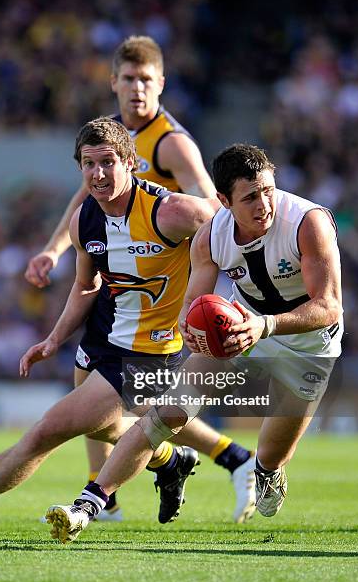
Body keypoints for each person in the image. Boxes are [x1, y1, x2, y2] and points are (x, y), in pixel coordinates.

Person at [0, 119, 247, 537]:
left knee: (46, 432)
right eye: (88, 164)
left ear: (132, 164)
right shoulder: (84, 220)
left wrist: (238, 306)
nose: (98, 174)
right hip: (103, 336)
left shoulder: (173, 211)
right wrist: (53, 338)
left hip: (150, 354)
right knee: (100, 426)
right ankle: (168, 460)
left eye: (107, 163)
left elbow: (233, 233)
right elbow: (86, 286)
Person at [48, 142, 343, 544]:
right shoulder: (210, 236)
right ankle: (87, 506)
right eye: (251, 197)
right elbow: (191, 307)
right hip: (238, 325)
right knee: (165, 412)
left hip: (307, 343)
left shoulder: (308, 223)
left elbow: (328, 306)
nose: (264, 204)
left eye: (269, 190)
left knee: (271, 456)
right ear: (223, 201)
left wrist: (266, 326)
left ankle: (266, 471)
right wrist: (191, 328)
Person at [24, 36, 256, 522]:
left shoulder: (172, 143)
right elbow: (84, 204)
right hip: (120, 276)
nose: (136, 89)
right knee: (96, 391)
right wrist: (53, 248)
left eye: (146, 80)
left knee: (122, 398)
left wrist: (227, 283)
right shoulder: (107, 140)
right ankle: (163, 472)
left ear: (161, 85)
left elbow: (212, 211)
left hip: (161, 283)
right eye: (128, 79)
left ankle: (120, 488)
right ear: (113, 82)